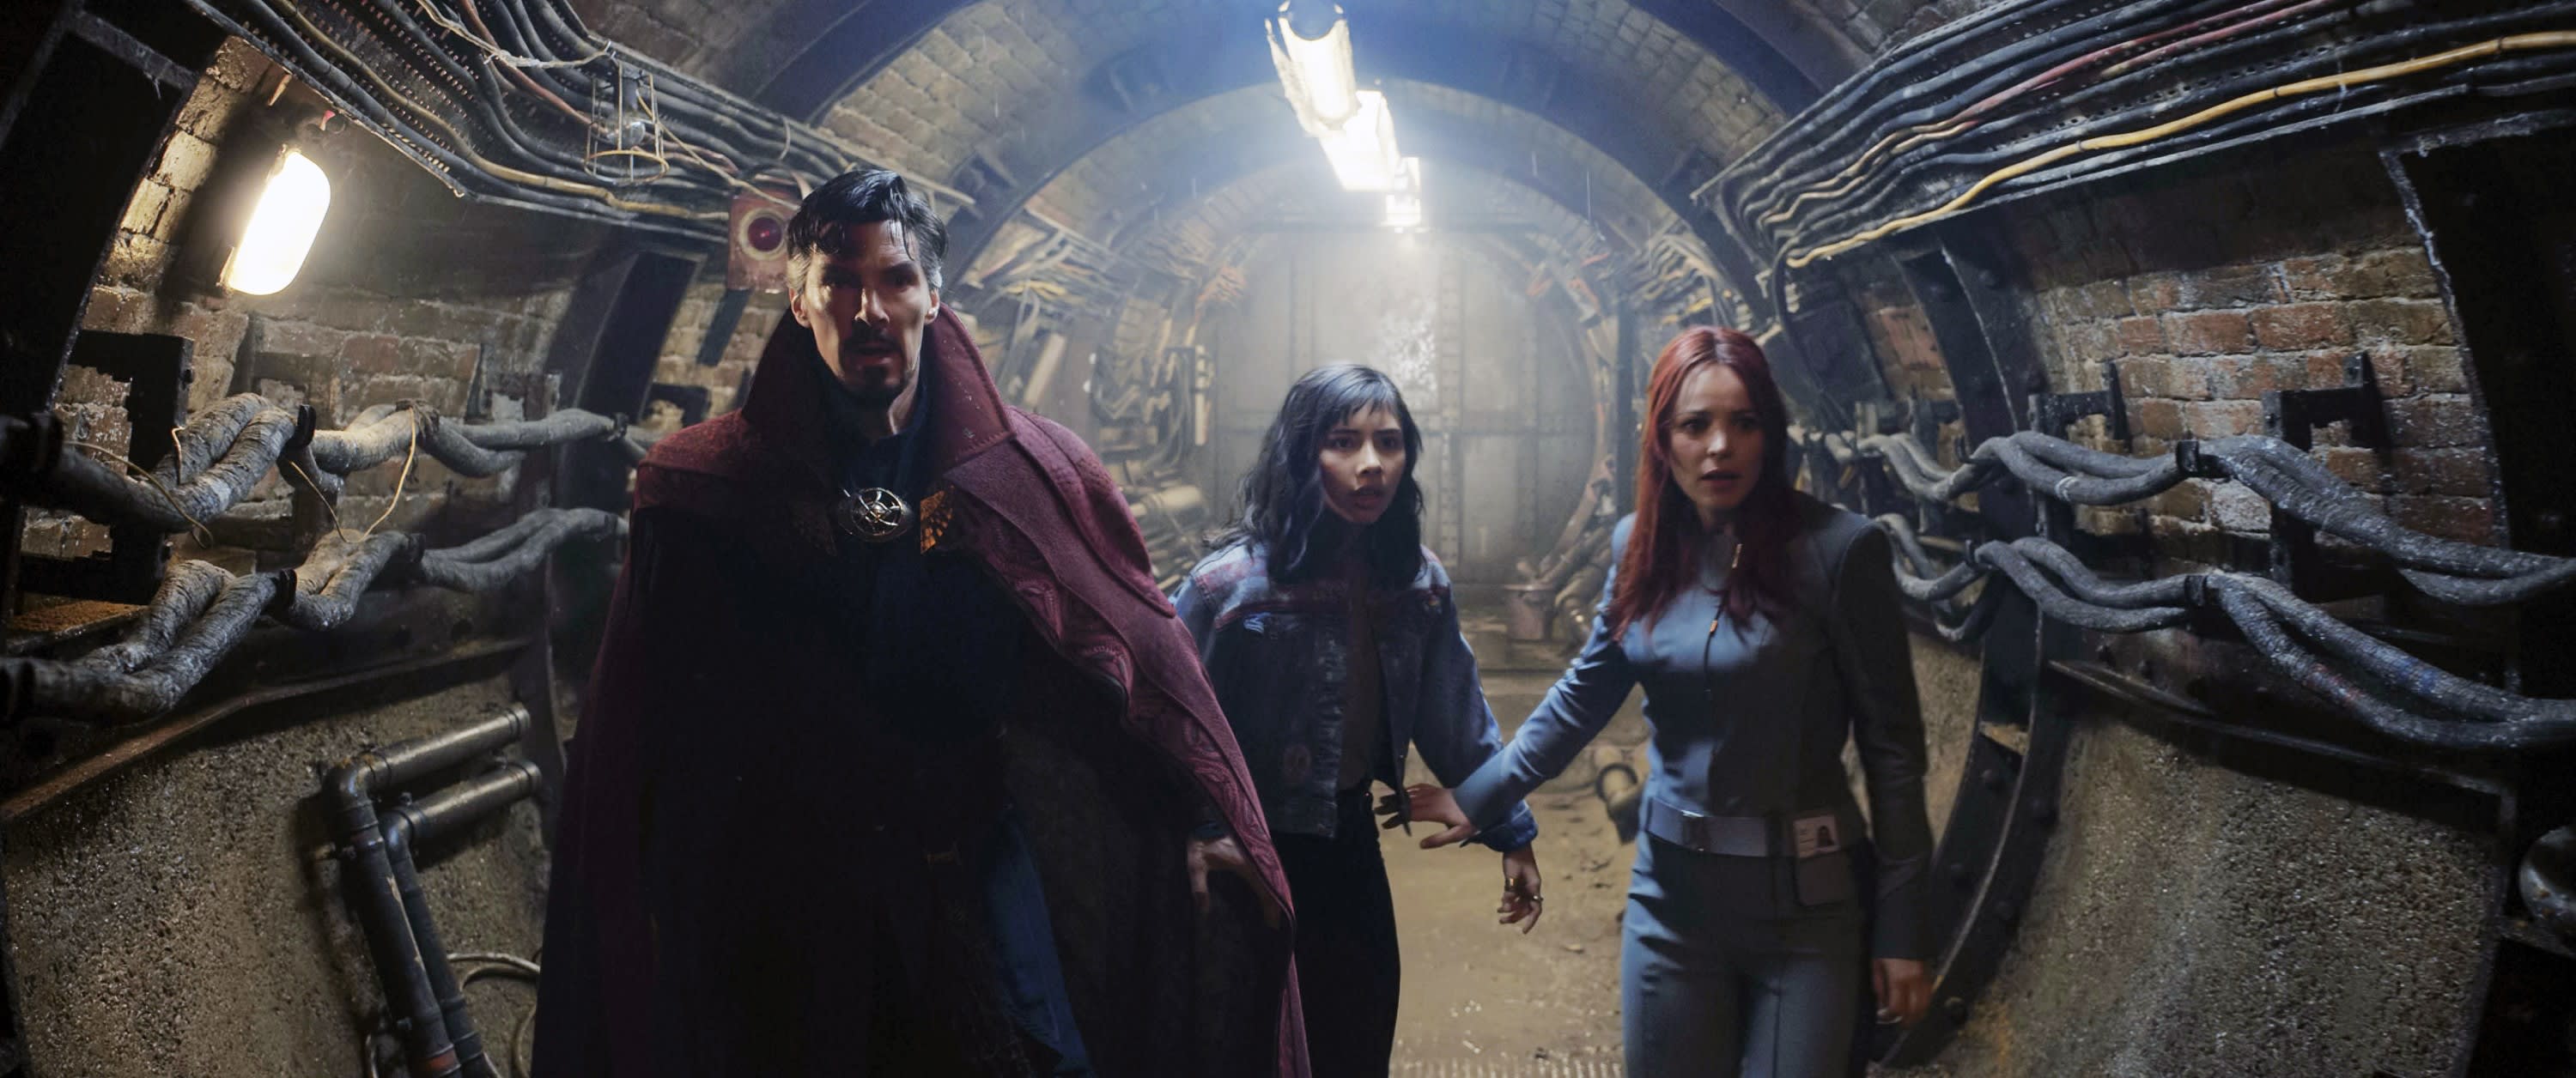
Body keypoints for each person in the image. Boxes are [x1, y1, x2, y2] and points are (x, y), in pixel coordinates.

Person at [535, 168, 1307, 1077]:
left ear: (934, 297)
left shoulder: (1030, 476)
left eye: (896, 279)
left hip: (972, 873)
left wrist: (1207, 814)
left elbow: (1140, 662)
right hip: (778, 905)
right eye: (840, 280)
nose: (870, 309)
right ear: (798, 299)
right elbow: (640, 724)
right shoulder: (703, 491)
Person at [1401, 326, 1935, 1077]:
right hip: (1673, 902)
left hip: (1809, 910)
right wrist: (1479, 795)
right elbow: (1581, 698)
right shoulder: (1639, 549)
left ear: (1771, 433)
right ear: (1662, 440)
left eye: (1743, 423)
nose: (1720, 447)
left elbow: (1893, 753)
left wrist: (1904, 928)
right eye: (1695, 425)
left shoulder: (1840, 551)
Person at [1174, 364, 1542, 1077]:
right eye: (1343, 442)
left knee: (1355, 1043)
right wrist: (1202, 825)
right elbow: (1167, 719)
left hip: (1348, 846)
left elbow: (1456, 719)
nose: (1371, 464)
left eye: (1389, 443)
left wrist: (1512, 834)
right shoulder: (1229, 589)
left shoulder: (1417, 585)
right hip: (1248, 857)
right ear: (1300, 454)